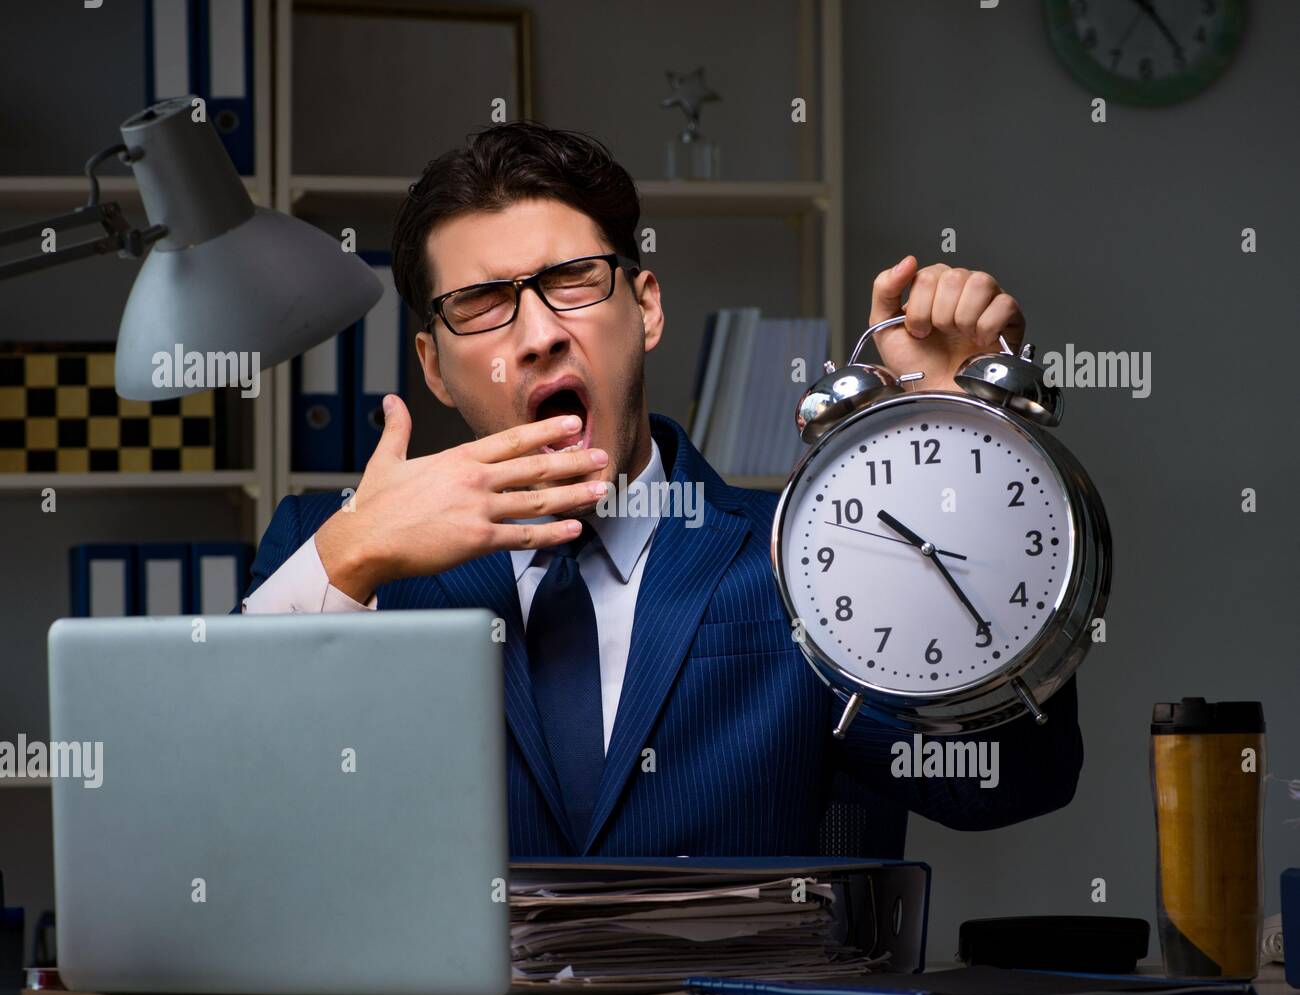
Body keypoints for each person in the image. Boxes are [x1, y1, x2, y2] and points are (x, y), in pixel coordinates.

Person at [242, 121, 1082, 857]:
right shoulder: (337, 553)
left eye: (572, 280)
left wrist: (959, 447)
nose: (538, 335)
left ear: (644, 307)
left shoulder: (810, 556)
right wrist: (350, 557)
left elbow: (1004, 785)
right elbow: (235, 805)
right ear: (432, 366)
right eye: (483, 304)